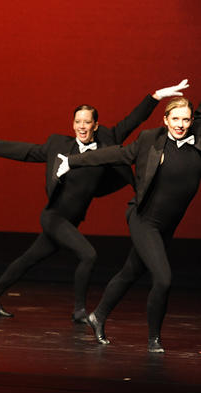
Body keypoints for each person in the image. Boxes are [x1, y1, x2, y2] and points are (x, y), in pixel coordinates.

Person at [0, 79, 188, 322]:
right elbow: (25, 151)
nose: (82, 126)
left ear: (95, 125)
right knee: (88, 255)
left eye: (87, 122)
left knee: (29, 259)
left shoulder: (107, 140)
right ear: (73, 124)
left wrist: (155, 96)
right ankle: (79, 310)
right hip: (54, 217)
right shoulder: (58, 144)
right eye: (78, 122)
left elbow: (133, 120)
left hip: (72, 220)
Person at [56, 90, 199, 353]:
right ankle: (154, 339)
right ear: (165, 120)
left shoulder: (196, 141)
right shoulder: (149, 140)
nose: (180, 124)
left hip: (167, 227)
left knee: (131, 272)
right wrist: (73, 161)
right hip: (144, 220)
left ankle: (97, 316)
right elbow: (113, 154)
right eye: (175, 119)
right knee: (163, 279)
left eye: (186, 120)